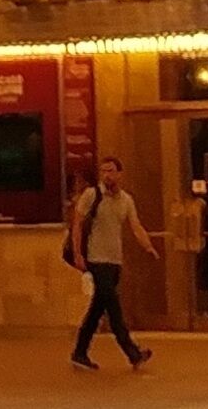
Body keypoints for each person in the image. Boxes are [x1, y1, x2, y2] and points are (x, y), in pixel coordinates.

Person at [68, 152, 156, 371]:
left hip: (114, 261)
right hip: (97, 260)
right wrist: (78, 254)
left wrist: (148, 246)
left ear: (120, 174)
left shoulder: (126, 200)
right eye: (103, 171)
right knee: (114, 309)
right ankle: (133, 353)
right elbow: (77, 224)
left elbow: (135, 226)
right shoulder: (92, 195)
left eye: (111, 171)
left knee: (97, 309)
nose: (107, 175)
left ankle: (79, 352)